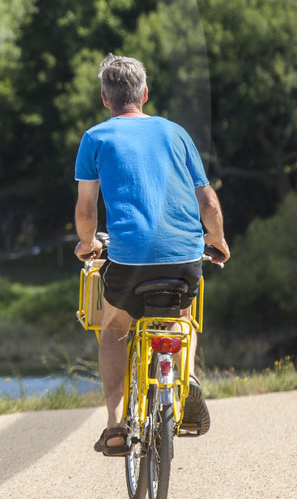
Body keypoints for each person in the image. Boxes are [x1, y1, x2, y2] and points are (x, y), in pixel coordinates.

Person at [73, 54, 229, 456]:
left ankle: (114, 427)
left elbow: (87, 210)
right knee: (181, 318)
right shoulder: (176, 133)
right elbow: (207, 201)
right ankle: (186, 375)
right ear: (144, 93)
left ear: (105, 99)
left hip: (128, 261)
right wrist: (218, 240)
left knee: (114, 329)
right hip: (185, 256)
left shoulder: (95, 137)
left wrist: (87, 243)